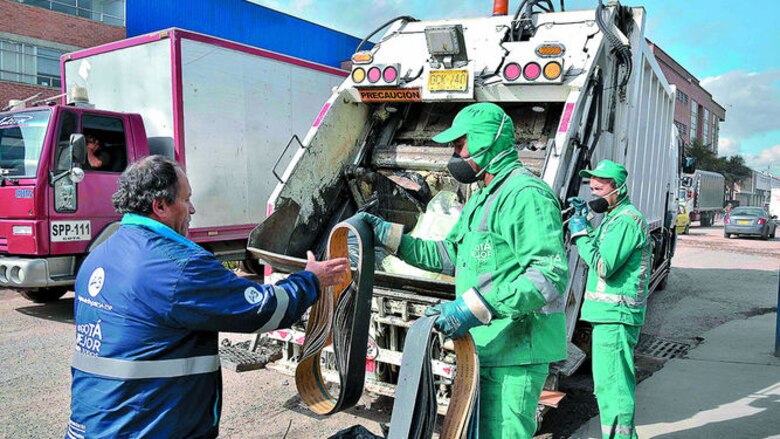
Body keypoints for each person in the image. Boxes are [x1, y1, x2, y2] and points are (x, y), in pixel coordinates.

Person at [66, 155, 349, 439]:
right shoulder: (178, 267)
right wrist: (311, 279)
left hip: (93, 427)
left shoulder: (99, 256)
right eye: (186, 199)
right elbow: (263, 309)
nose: (192, 208)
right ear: (160, 206)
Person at [359, 103, 568, 438]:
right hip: (484, 347)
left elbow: (548, 275)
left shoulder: (525, 195)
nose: (453, 153)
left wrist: (471, 308)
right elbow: (449, 255)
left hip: (515, 352)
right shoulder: (482, 197)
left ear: (486, 141)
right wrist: (391, 238)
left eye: (460, 145)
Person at [567, 160, 651, 439]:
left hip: (616, 317)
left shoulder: (626, 221)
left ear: (619, 188)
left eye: (599, 189)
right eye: (591, 189)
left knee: (613, 387)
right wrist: (588, 224)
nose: (594, 195)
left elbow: (604, 265)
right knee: (607, 386)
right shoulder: (614, 218)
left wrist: (580, 233)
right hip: (609, 316)